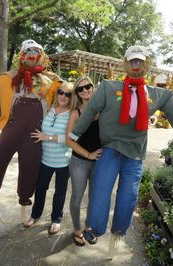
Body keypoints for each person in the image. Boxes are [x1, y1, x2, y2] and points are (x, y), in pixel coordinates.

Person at [70, 45, 173, 256]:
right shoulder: (108, 87)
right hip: (111, 148)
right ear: (125, 63)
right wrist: (75, 133)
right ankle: (96, 228)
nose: (136, 65)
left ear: (146, 64)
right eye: (132, 61)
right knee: (101, 189)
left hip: (135, 153)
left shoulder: (154, 94)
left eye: (140, 61)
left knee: (128, 194)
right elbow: (90, 110)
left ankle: (118, 230)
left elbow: (170, 100)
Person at [0, 39, 61, 214]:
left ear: (42, 57)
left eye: (36, 52)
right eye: (28, 52)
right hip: (10, 130)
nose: (33, 56)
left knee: (30, 165)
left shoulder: (51, 83)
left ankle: (25, 196)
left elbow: (71, 95)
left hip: (35, 134)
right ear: (21, 56)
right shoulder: (6, 79)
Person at [23, 81, 72, 234]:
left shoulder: (72, 113)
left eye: (68, 94)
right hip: (45, 159)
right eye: (61, 92)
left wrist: (48, 137)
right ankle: (35, 215)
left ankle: (56, 219)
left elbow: (72, 138)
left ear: (72, 97)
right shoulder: (49, 108)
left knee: (60, 192)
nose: (63, 96)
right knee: (40, 188)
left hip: (63, 161)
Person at [66, 76, 102, 246]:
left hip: (99, 163)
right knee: (77, 198)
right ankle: (77, 229)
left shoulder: (102, 109)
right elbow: (69, 141)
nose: (85, 90)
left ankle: (88, 226)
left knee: (94, 197)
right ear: (77, 93)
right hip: (80, 161)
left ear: (93, 87)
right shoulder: (76, 113)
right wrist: (89, 155)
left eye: (88, 86)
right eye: (81, 89)